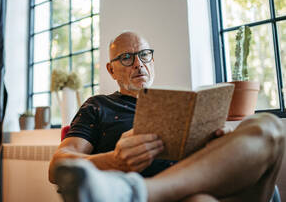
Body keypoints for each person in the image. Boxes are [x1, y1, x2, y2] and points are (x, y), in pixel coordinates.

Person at [48, 31, 285, 202]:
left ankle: (141, 191)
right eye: (127, 58)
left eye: (144, 55)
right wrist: (114, 160)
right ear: (111, 69)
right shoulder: (98, 105)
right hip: (192, 196)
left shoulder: (179, 106)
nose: (139, 64)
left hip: (206, 182)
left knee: (268, 126)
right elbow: (58, 164)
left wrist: (214, 143)